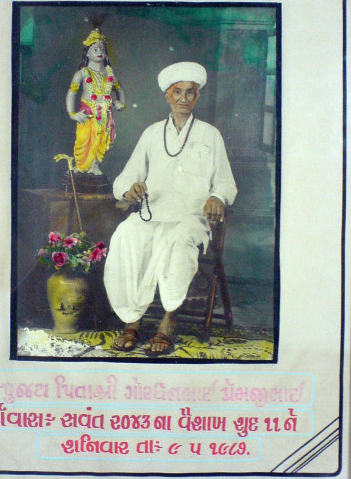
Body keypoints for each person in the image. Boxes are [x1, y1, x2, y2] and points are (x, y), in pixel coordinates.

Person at [104, 61, 237, 355]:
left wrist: (217, 197)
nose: (183, 99)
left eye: (190, 92)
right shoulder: (152, 133)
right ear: (167, 95)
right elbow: (126, 178)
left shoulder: (210, 135)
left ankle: (168, 320)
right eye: (178, 92)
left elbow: (226, 183)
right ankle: (132, 320)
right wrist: (129, 189)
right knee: (126, 234)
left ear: (197, 96)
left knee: (177, 242)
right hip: (153, 214)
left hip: (191, 219)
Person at [66, 29, 126, 175]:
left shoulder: (110, 74)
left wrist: (121, 103)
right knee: (83, 140)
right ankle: (80, 165)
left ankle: (95, 165)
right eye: (95, 49)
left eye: (102, 49)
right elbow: (71, 93)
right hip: (87, 113)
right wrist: (72, 113)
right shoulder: (82, 73)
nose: (99, 51)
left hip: (104, 113)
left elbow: (120, 90)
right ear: (87, 53)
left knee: (101, 140)